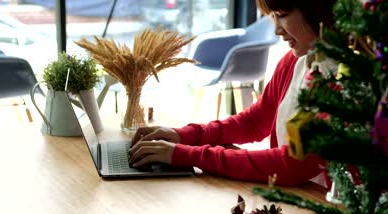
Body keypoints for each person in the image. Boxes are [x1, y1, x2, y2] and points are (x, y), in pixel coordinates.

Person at [128, 0, 337, 186]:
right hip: (299, 198)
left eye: (282, 16)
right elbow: (254, 122)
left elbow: (292, 164)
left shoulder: (346, 79)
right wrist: (182, 135)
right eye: (273, 17)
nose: (276, 30)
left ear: (316, 10)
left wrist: (187, 155)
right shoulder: (294, 61)